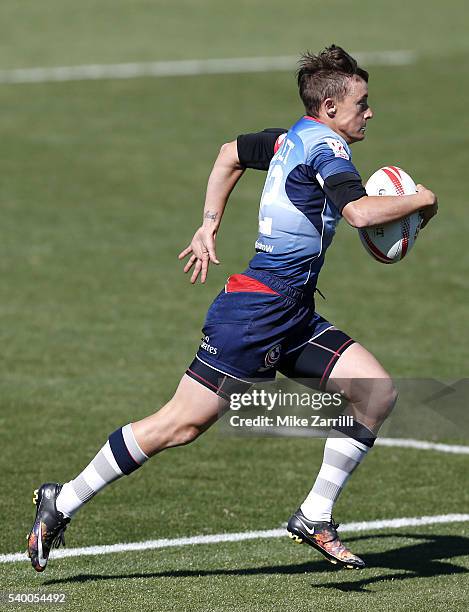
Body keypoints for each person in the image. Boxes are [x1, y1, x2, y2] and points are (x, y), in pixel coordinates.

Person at [27, 45, 438, 572]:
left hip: (293, 313)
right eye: (362, 102)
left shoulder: (292, 138)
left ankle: (315, 515)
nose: (369, 111)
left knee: (375, 395)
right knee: (179, 425)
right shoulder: (327, 150)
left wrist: (209, 221)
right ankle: (60, 502)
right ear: (330, 108)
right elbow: (359, 213)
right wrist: (422, 200)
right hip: (255, 314)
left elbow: (228, 152)